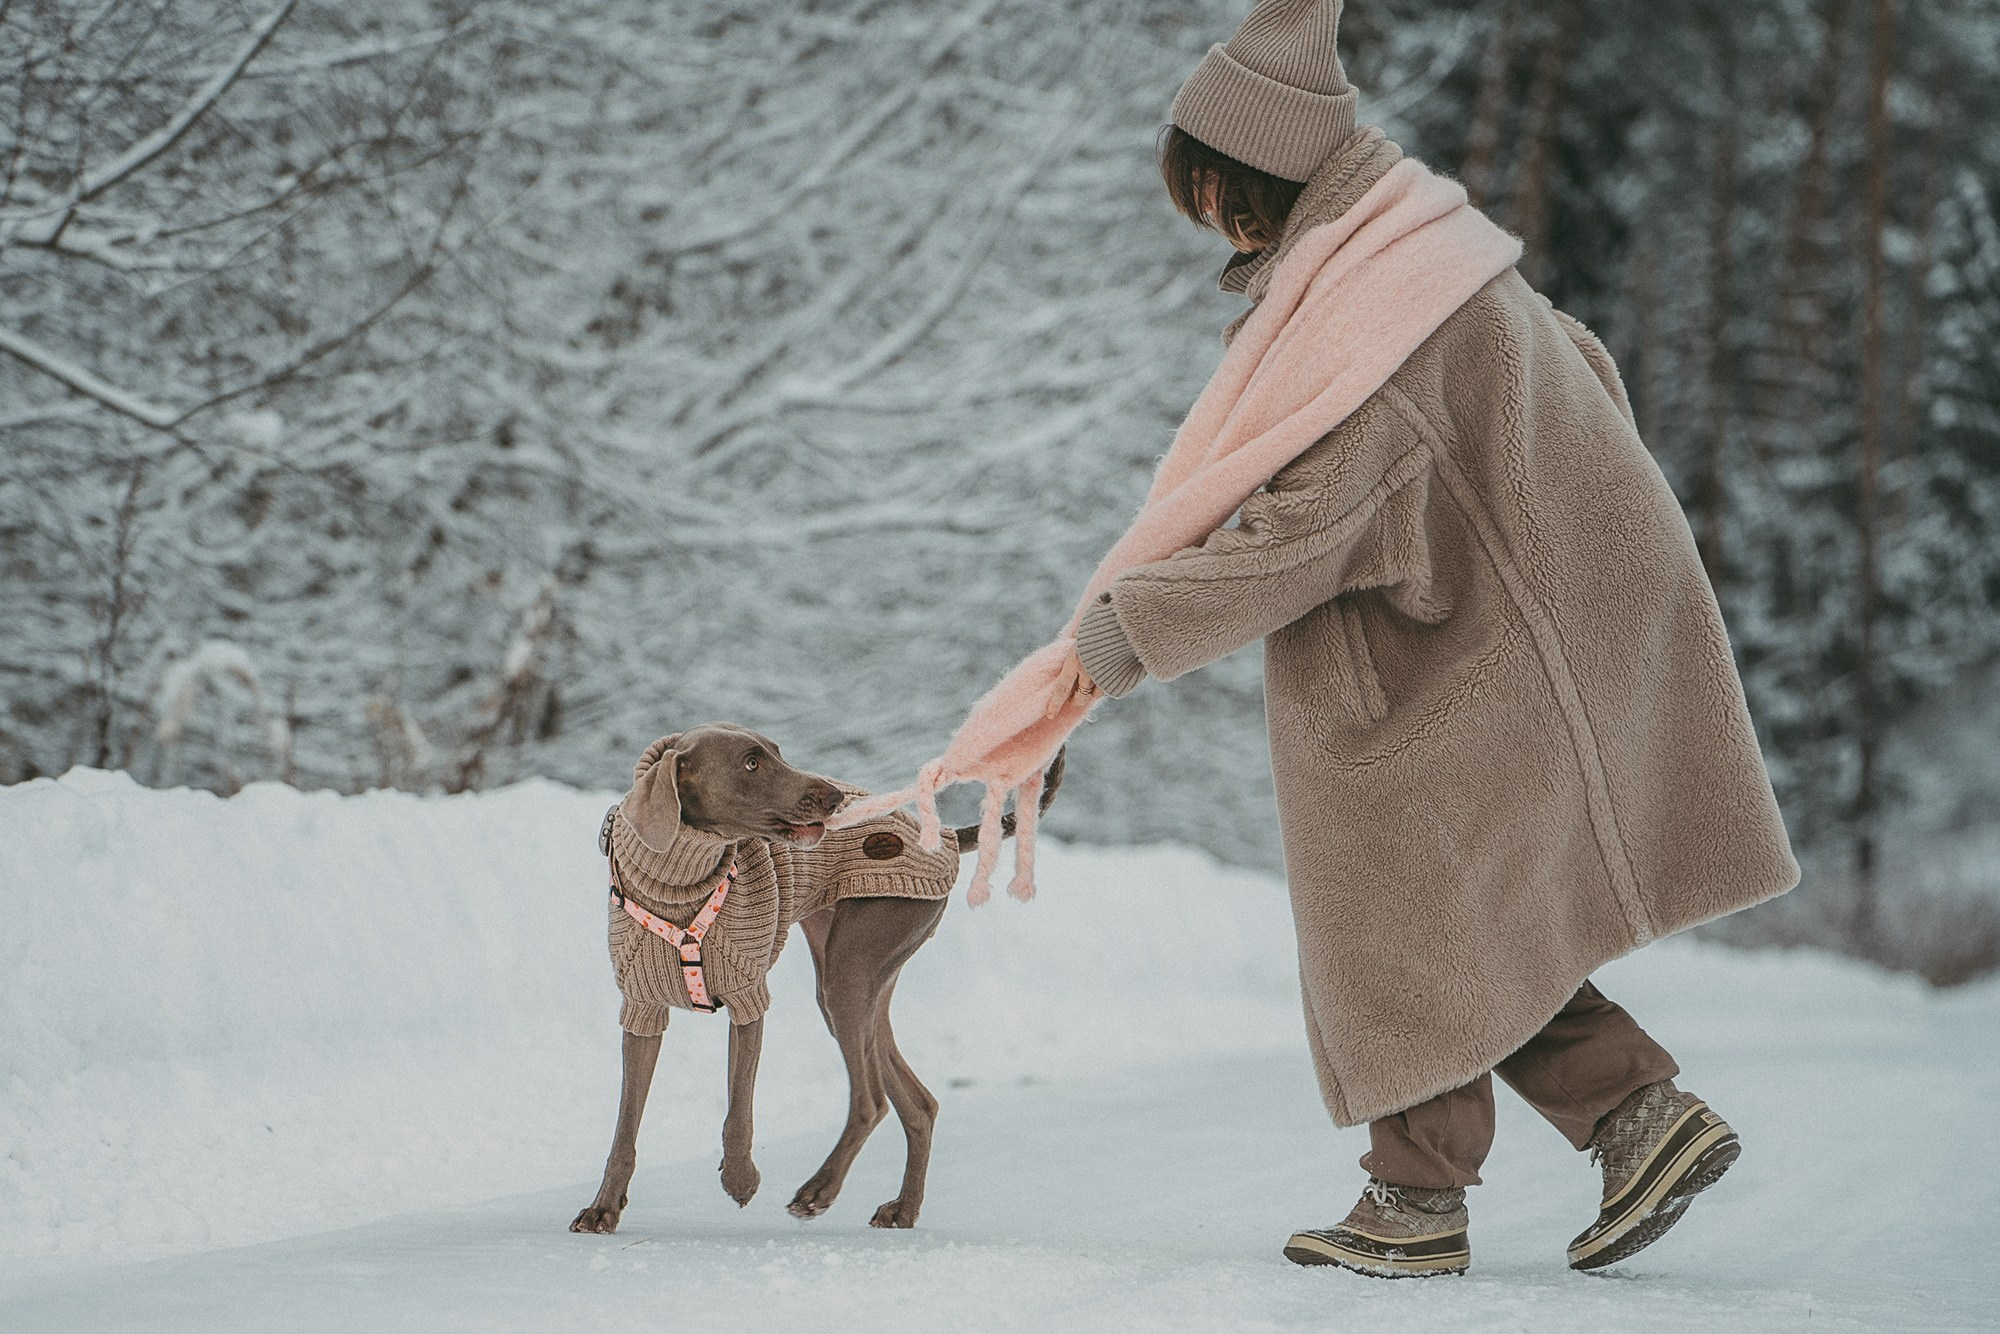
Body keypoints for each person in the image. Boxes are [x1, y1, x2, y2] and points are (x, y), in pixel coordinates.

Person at [835, 0, 1798, 1278]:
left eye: (1213, 198)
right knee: (1464, 922)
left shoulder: (1371, 327)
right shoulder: (1429, 259)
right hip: (1515, 633)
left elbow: (1295, 533)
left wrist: (1111, 639)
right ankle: (1635, 1118)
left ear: (1260, 179)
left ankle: (1422, 1198)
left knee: (1402, 920)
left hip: (1458, 662)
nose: (1213, 228)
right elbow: (1588, 367)